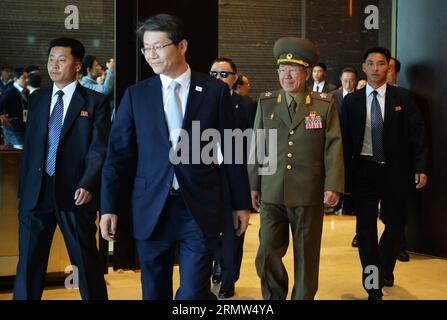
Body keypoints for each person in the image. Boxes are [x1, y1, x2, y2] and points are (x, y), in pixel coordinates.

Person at [100, 14, 251, 300]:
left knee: (194, 292)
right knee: (154, 290)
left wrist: (240, 203)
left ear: (181, 46)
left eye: (159, 46)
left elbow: (232, 150)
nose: (151, 55)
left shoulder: (214, 92)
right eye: (146, 48)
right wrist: (109, 207)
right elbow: (118, 156)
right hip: (151, 206)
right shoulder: (136, 95)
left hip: (199, 206)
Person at [13, 37, 110, 300]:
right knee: (29, 265)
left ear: (77, 65)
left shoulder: (95, 102)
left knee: (86, 265)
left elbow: (98, 149)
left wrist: (88, 183)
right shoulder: (38, 100)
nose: (54, 65)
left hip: (75, 194)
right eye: (51, 59)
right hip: (36, 194)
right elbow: (33, 146)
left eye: (62, 59)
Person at [248, 36, 344, 300]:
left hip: (308, 194)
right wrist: (253, 185)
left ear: (305, 73)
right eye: (281, 69)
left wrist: (333, 185)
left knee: (306, 257)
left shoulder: (324, 106)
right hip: (271, 192)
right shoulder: (266, 103)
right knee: (266, 252)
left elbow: (333, 146)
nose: (286, 75)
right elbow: (258, 146)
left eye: (292, 70)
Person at [341, 47, 428, 300]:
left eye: (382, 64)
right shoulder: (351, 101)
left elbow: (418, 134)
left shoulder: (403, 98)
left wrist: (420, 167)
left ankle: (384, 267)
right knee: (365, 230)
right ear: (364, 67)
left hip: (396, 171)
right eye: (371, 64)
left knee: (396, 225)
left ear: (388, 68)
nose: (376, 68)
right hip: (364, 172)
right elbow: (344, 140)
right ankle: (373, 284)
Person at [209, 57, 256, 299]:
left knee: (235, 231)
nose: (218, 79)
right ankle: (216, 267)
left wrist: (252, 185)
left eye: (224, 74)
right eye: (214, 74)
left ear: (234, 78)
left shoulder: (246, 105)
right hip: (207, 178)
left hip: (235, 177)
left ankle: (229, 279)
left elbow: (254, 146)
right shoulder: (199, 102)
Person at [0, 67, 28, 149]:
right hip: (12, 128)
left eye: (27, 77)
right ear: (16, 79)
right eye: (24, 78)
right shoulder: (10, 92)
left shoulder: (25, 92)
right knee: (20, 150)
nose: (27, 80)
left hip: (22, 127)